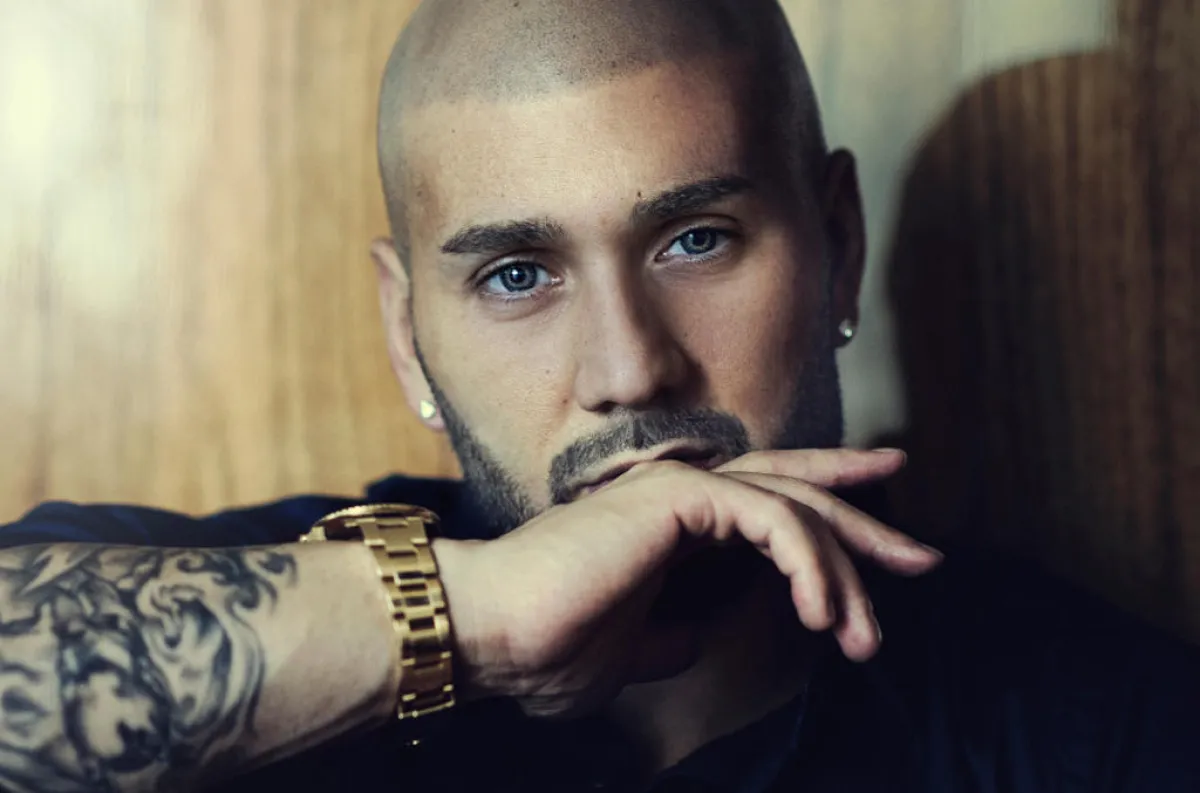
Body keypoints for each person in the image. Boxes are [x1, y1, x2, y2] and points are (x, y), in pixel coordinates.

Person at [1, 1, 1196, 791]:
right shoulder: (292, 614)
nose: (629, 372)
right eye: (518, 275)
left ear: (837, 246)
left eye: (696, 240)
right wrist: (468, 623)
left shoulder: (1095, 726)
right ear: (408, 335)